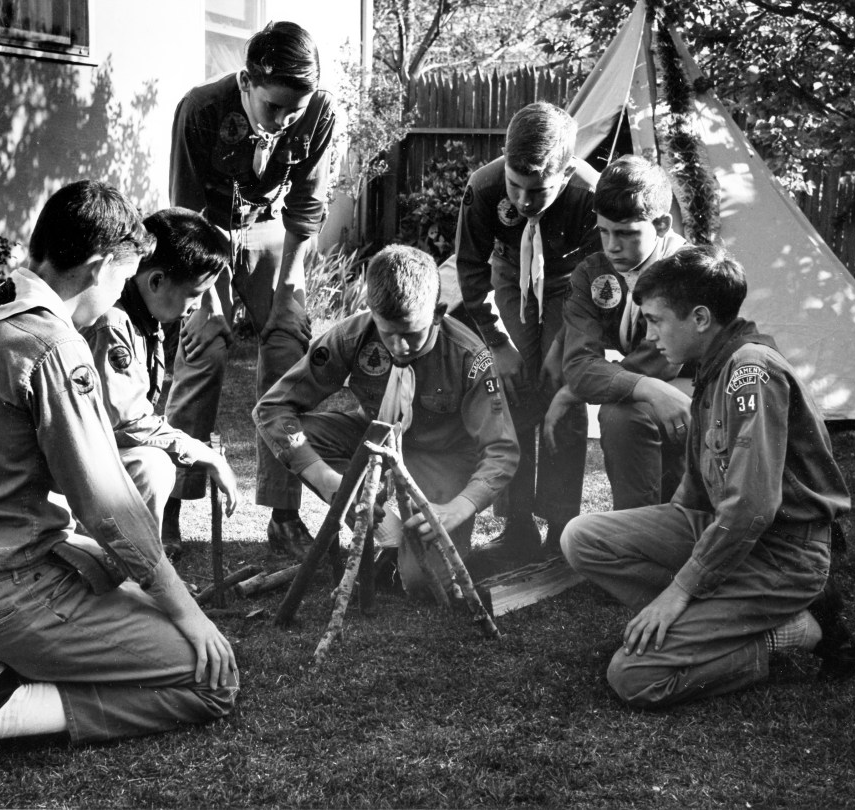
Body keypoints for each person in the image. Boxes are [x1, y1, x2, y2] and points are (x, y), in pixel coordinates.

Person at [0, 181, 239, 779]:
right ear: (98, 267)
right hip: (8, 590)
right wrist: (191, 614)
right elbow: (108, 505)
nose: (116, 299)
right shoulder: (53, 344)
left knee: (138, 598)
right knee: (210, 680)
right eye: (123, 277)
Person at [561, 245, 855, 709]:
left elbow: (751, 507)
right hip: (735, 539)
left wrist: (679, 591)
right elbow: (699, 486)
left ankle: (797, 630)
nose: (649, 334)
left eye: (657, 320)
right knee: (582, 537)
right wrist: (677, 546)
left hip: (782, 555)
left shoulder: (750, 373)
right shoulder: (716, 363)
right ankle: (709, 619)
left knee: (634, 677)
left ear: (700, 318)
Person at [163, 20, 337, 560]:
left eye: (294, 112)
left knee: (288, 346)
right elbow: (187, 213)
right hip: (204, 232)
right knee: (205, 349)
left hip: (270, 231)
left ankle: (283, 515)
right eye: (273, 108)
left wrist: (287, 295)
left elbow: (305, 210)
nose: (283, 122)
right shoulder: (201, 109)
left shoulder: (320, 112)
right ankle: (169, 504)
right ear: (247, 81)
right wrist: (209, 305)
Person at [253, 245, 519, 595]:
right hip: (374, 438)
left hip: (442, 455)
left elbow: (501, 450)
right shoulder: (352, 336)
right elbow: (272, 409)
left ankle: (398, 556)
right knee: (295, 434)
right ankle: (380, 526)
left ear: (437, 314)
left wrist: (456, 509)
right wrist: (330, 482)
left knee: (425, 582)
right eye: (387, 332)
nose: (399, 347)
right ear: (371, 310)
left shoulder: (469, 358)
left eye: (411, 334)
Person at [455, 101, 601, 580]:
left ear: (566, 172)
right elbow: (470, 270)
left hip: (571, 288)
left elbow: (598, 278)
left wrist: (563, 348)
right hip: (508, 278)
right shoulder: (483, 187)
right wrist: (497, 343)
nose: (522, 200)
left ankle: (560, 526)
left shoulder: (590, 194)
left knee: (563, 393)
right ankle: (516, 526)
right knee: (511, 391)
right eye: (515, 185)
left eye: (537, 190)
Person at [80, 207, 239, 560]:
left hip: (87, 458)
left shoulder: (143, 317)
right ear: (156, 282)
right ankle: (134, 568)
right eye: (194, 294)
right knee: (152, 466)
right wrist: (205, 456)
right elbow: (127, 424)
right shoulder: (114, 324)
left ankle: (135, 565)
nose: (196, 306)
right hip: (71, 468)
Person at [545, 155, 690, 510]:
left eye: (626, 233)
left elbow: (664, 359)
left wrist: (572, 393)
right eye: (604, 231)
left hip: (700, 383)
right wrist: (646, 388)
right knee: (622, 411)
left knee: (621, 414)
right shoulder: (591, 272)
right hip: (655, 387)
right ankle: (636, 527)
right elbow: (579, 365)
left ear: (661, 224)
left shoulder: (687, 268)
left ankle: (657, 522)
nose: (611, 246)